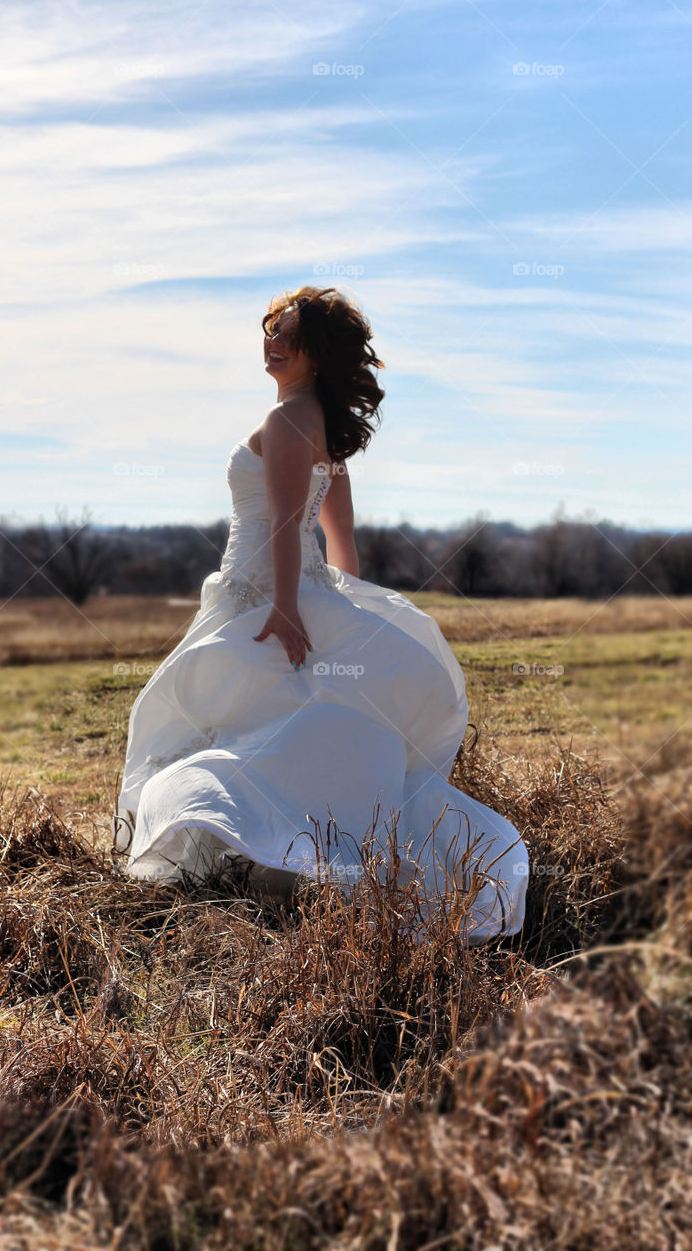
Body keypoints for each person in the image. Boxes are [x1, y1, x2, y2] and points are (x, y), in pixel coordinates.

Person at [115, 286, 529, 942]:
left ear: (316, 352)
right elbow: (341, 536)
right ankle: (286, 855)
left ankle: (263, 852)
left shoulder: (286, 422)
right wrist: (343, 602)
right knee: (265, 725)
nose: (271, 343)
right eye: (269, 330)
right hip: (286, 588)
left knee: (210, 719)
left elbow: (284, 523)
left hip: (261, 594)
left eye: (287, 335)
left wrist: (286, 606)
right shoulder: (319, 421)